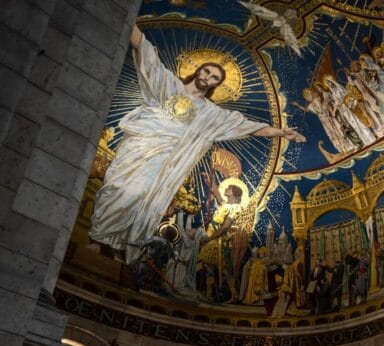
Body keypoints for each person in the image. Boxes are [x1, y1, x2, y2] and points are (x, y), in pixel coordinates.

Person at [89, 24, 305, 263]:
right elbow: (147, 54)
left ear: (215, 85)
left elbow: (248, 126)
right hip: (140, 148)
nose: (208, 78)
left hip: (166, 164)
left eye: (214, 78)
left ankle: (118, 246)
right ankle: (98, 239)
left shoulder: (212, 114)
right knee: (119, 188)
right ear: (198, 69)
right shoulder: (169, 85)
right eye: (207, 71)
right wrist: (126, 17)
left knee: (143, 197)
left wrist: (282, 132)